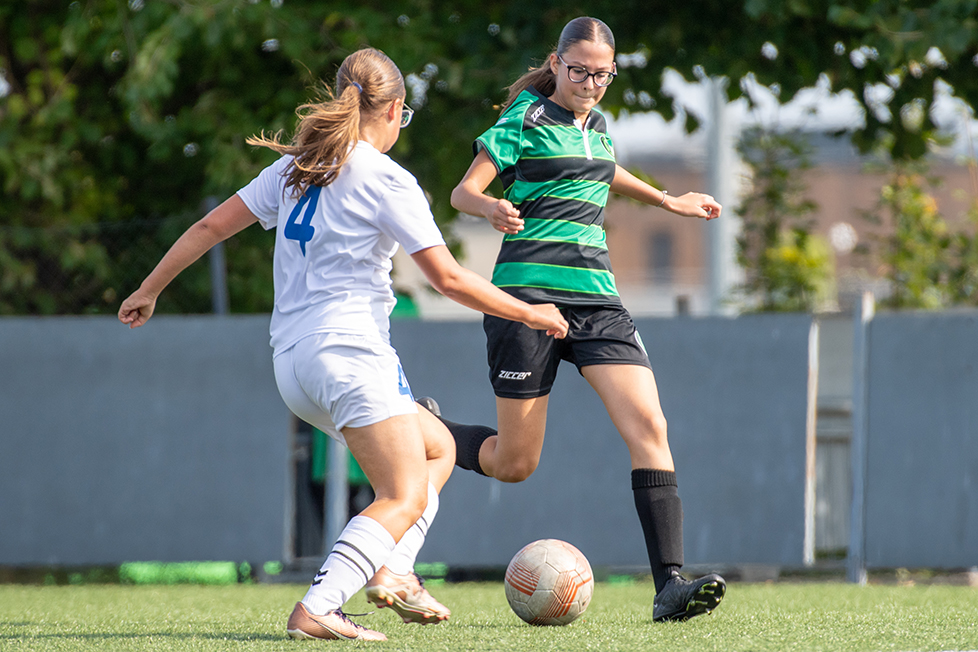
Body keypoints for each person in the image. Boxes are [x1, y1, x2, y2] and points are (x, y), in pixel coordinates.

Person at [118, 47, 568, 642]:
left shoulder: (295, 168)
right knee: (403, 493)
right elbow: (449, 279)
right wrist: (530, 311)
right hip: (350, 356)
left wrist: (149, 290)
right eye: (403, 120)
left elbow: (209, 229)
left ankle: (394, 569)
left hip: (293, 365)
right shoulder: (386, 178)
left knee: (437, 447)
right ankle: (319, 607)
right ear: (394, 110)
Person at [447, 16, 726, 622]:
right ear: (556, 63)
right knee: (514, 465)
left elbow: (603, 170)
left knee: (650, 424)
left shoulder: (597, 128)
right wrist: (489, 206)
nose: (592, 83)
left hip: (598, 300)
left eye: (603, 74)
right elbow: (462, 193)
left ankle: (669, 586)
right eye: (580, 71)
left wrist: (666, 200)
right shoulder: (522, 120)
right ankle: (432, 431)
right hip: (526, 300)